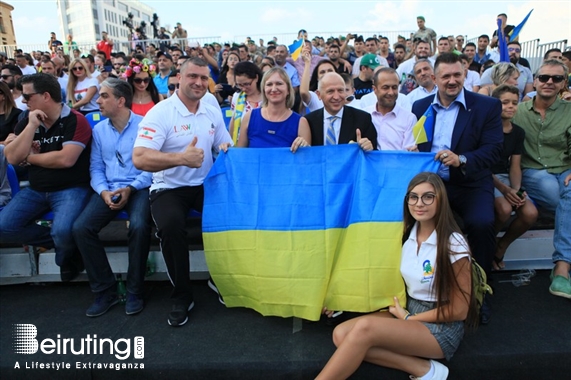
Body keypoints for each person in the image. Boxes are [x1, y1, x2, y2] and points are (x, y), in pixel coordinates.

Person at [317, 172, 477, 380]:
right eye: (413, 197)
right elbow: (374, 273)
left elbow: (459, 310)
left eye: (428, 197)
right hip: (407, 308)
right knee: (341, 334)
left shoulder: (453, 243)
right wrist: (341, 299)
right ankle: (425, 370)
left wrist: (411, 318)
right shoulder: (405, 235)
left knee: (365, 328)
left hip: (441, 327)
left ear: (441, 200)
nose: (419, 203)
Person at [132, 57, 233, 327]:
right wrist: (180, 159)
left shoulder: (212, 110)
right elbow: (140, 158)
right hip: (169, 187)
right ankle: (181, 296)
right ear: (180, 76)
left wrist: (226, 150)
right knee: (171, 226)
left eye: (204, 78)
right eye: (193, 77)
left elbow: (225, 146)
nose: (199, 83)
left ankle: (221, 280)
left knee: (231, 216)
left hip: (204, 184)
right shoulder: (161, 112)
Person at [411, 54, 503, 323]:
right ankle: (424, 291)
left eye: (457, 75)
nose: (452, 81)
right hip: (433, 186)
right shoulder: (419, 107)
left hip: (471, 183)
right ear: (434, 78)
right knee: (409, 224)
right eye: (446, 76)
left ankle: (478, 294)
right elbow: (415, 142)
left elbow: (494, 150)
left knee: (481, 222)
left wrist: (462, 159)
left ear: (465, 75)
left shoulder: (487, 106)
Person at [0, 73, 92, 282]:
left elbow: (66, 159)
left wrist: (31, 158)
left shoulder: (75, 120)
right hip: (37, 189)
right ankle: (66, 246)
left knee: (62, 230)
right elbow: (13, 158)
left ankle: (65, 249)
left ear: (46, 96)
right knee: (4, 226)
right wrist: (31, 126)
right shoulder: (26, 119)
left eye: (27, 96)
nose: (23, 101)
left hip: (71, 188)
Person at [73, 79, 152, 317]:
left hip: (138, 188)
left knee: (139, 226)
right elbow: (96, 167)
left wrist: (130, 188)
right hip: (108, 188)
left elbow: (150, 168)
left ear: (120, 101)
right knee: (81, 228)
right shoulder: (99, 130)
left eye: (104, 96)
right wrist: (103, 191)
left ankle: (135, 290)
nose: (98, 101)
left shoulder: (144, 126)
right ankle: (105, 290)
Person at [512, 60, 571, 299]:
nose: (549, 82)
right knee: (562, 202)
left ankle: (562, 267)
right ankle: (563, 268)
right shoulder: (518, 111)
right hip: (534, 170)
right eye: (544, 77)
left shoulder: (569, 111)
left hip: (565, 168)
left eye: (556, 79)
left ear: (563, 83)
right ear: (534, 80)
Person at [490, 84, 538, 270]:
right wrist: (505, 190)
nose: (510, 106)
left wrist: (516, 190)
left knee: (530, 213)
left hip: (506, 178)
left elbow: (515, 166)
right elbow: (483, 166)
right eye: (505, 102)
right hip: (488, 177)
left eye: (514, 103)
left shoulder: (518, 132)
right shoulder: (487, 129)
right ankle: (487, 243)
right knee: (503, 208)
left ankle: (502, 245)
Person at [231, 67, 310, 150]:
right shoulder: (249, 117)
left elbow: (306, 160)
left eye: (279, 83)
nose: (274, 89)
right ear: (264, 89)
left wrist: (304, 146)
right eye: (269, 84)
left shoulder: (301, 123)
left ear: (288, 90)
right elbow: (239, 156)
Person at [305, 72, 376, 150]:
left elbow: (374, 154)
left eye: (340, 90)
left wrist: (369, 148)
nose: (336, 97)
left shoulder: (362, 119)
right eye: (330, 91)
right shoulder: (309, 121)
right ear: (319, 94)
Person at [364, 68, 417, 151]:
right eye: (385, 88)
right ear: (375, 89)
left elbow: (408, 154)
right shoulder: (365, 115)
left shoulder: (409, 119)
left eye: (394, 87)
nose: (391, 92)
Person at [228, 61, 263, 145]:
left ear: (256, 78)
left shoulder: (267, 97)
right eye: (239, 85)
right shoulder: (237, 97)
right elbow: (233, 120)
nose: (243, 88)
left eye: (247, 84)